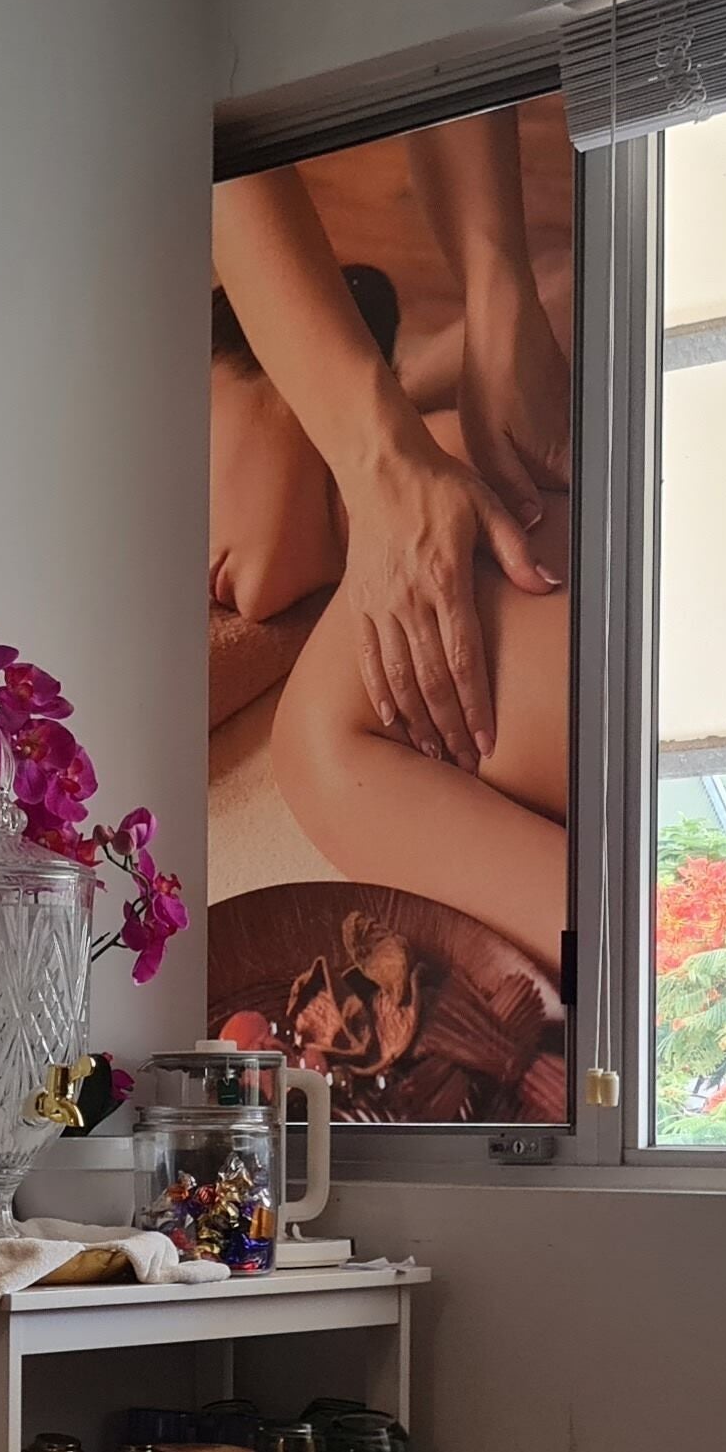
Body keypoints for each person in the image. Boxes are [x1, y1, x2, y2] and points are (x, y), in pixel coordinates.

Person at [210, 104, 576, 970]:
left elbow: (643, 972)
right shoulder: (335, 719)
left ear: (268, 353)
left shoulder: (332, 726)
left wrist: (499, 303)